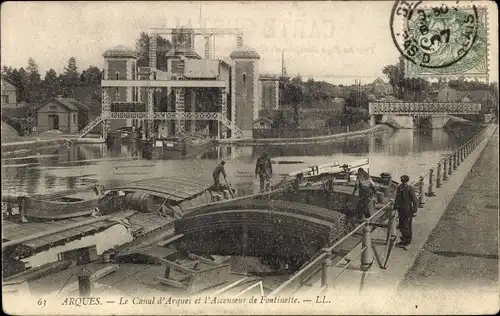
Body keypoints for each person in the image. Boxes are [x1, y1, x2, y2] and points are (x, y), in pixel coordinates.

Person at [393, 175, 419, 250]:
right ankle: (405, 240)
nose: (403, 183)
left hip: (407, 210)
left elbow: (414, 200)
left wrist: (414, 210)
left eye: (404, 181)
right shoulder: (401, 187)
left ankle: (407, 242)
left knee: (406, 226)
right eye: (402, 181)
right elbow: (397, 199)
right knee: (403, 225)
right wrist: (395, 207)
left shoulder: (408, 188)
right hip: (402, 210)